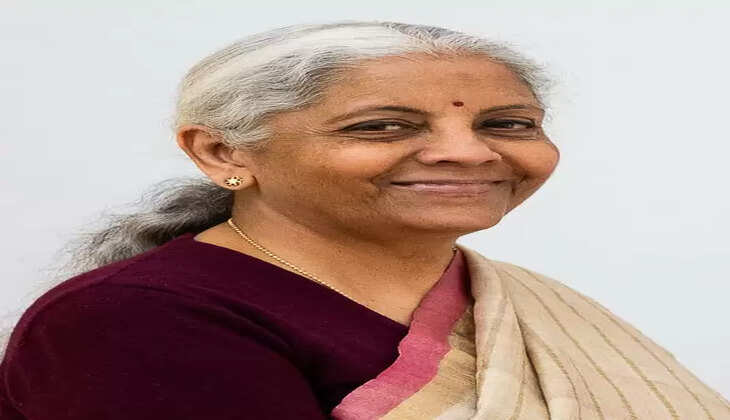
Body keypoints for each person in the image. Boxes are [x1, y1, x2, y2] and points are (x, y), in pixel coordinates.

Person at [0, 20, 727, 420]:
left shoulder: (532, 307)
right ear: (222, 151)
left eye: (507, 123)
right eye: (381, 126)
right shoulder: (131, 324)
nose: (468, 152)